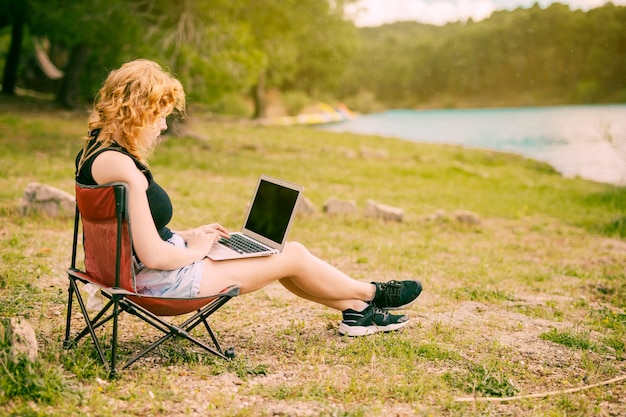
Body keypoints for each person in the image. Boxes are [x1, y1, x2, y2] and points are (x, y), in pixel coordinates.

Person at [75, 59, 422, 337]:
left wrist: (187, 235)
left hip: (141, 274)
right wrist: (195, 250)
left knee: (278, 255)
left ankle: (358, 312)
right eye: (160, 116)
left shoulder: (95, 155)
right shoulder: (125, 170)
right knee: (293, 255)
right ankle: (373, 293)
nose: (163, 127)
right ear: (138, 111)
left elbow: (132, 234)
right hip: (162, 283)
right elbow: (151, 253)